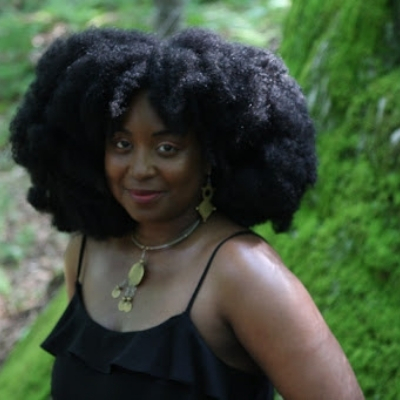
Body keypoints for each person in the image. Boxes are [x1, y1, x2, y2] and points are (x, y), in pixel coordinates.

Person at [9, 27, 364, 400]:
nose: (140, 168)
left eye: (166, 147)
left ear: (209, 157)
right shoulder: (85, 253)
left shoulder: (244, 272)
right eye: (122, 144)